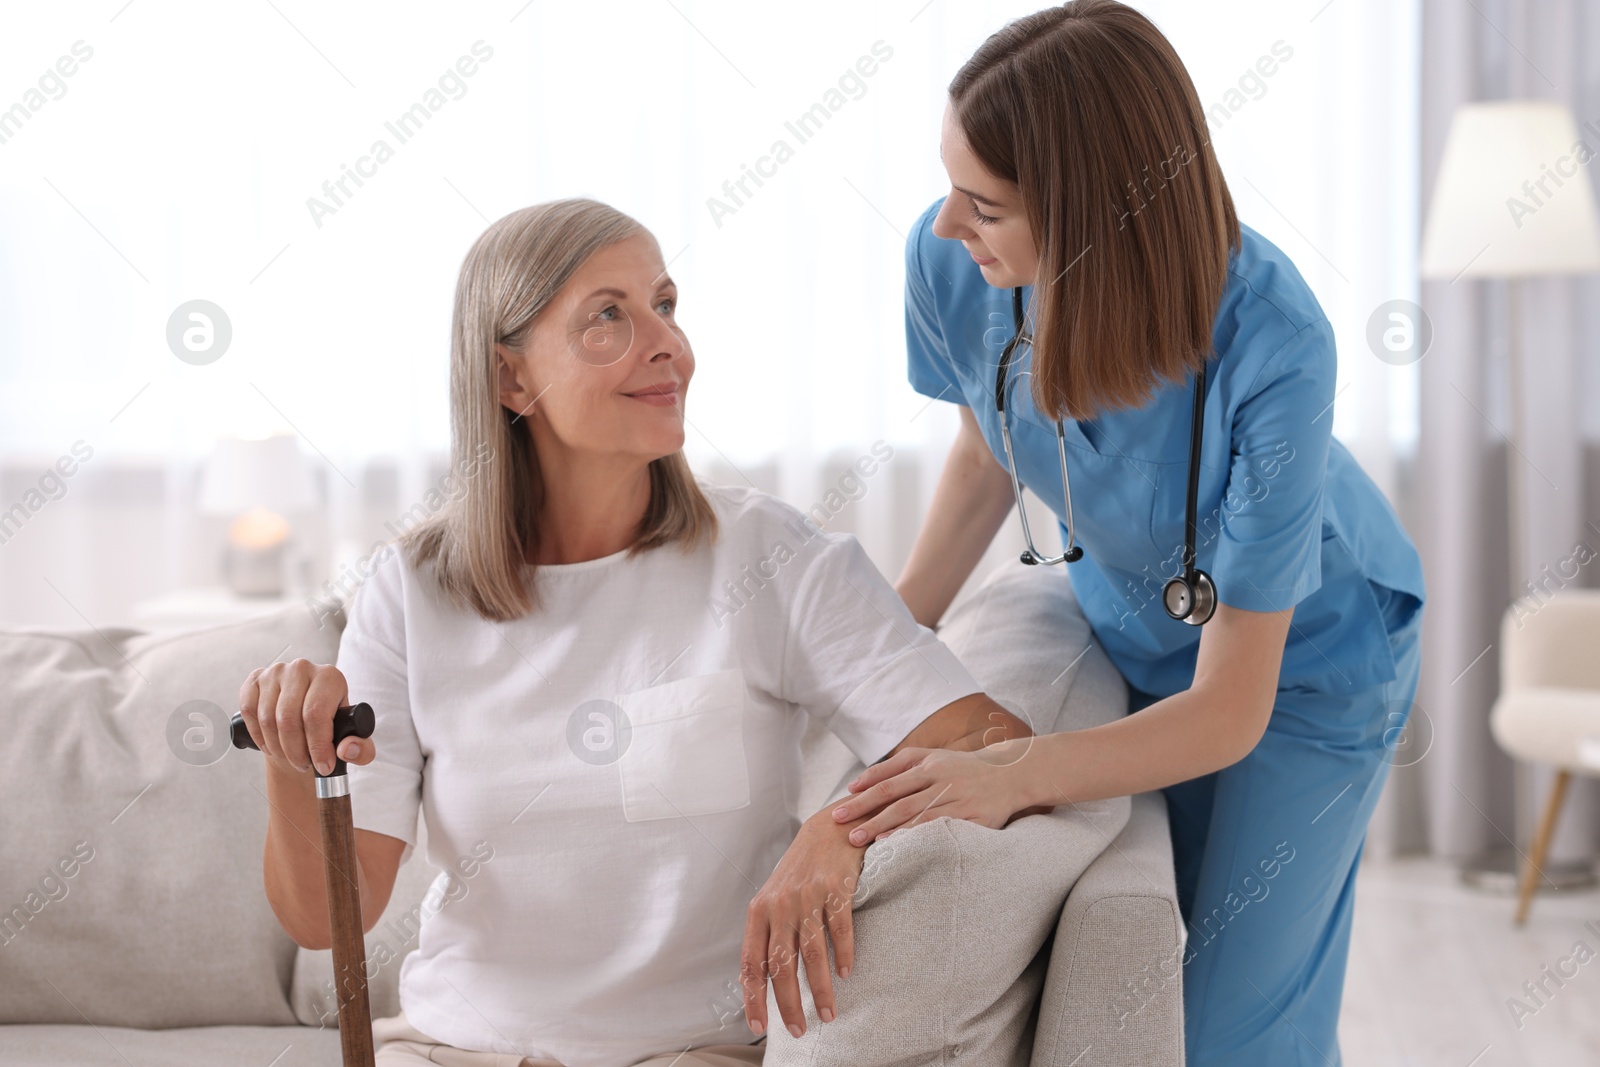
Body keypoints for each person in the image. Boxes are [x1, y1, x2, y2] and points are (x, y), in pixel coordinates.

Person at [236, 198, 1037, 1067]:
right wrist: (292, 764)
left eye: (665, 304)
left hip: (689, 1051)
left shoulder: (770, 558)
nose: (668, 344)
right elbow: (327, 918)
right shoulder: (410, 594)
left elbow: (996, 742)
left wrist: (842, 825)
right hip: (451, 1049)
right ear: (511, 379)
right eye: (607, 317)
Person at [827, 4, 1426, 1065]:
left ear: (1095, 219)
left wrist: (1014, 770)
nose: (944, 227)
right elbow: (984, 452)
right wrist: (874, 651)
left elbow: (1231, 707)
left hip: (1306, 665)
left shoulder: (1274, 344)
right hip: (1135, 627)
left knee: (1235, 1032)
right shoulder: (956, 266)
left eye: (984, 205)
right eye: (952, 185)